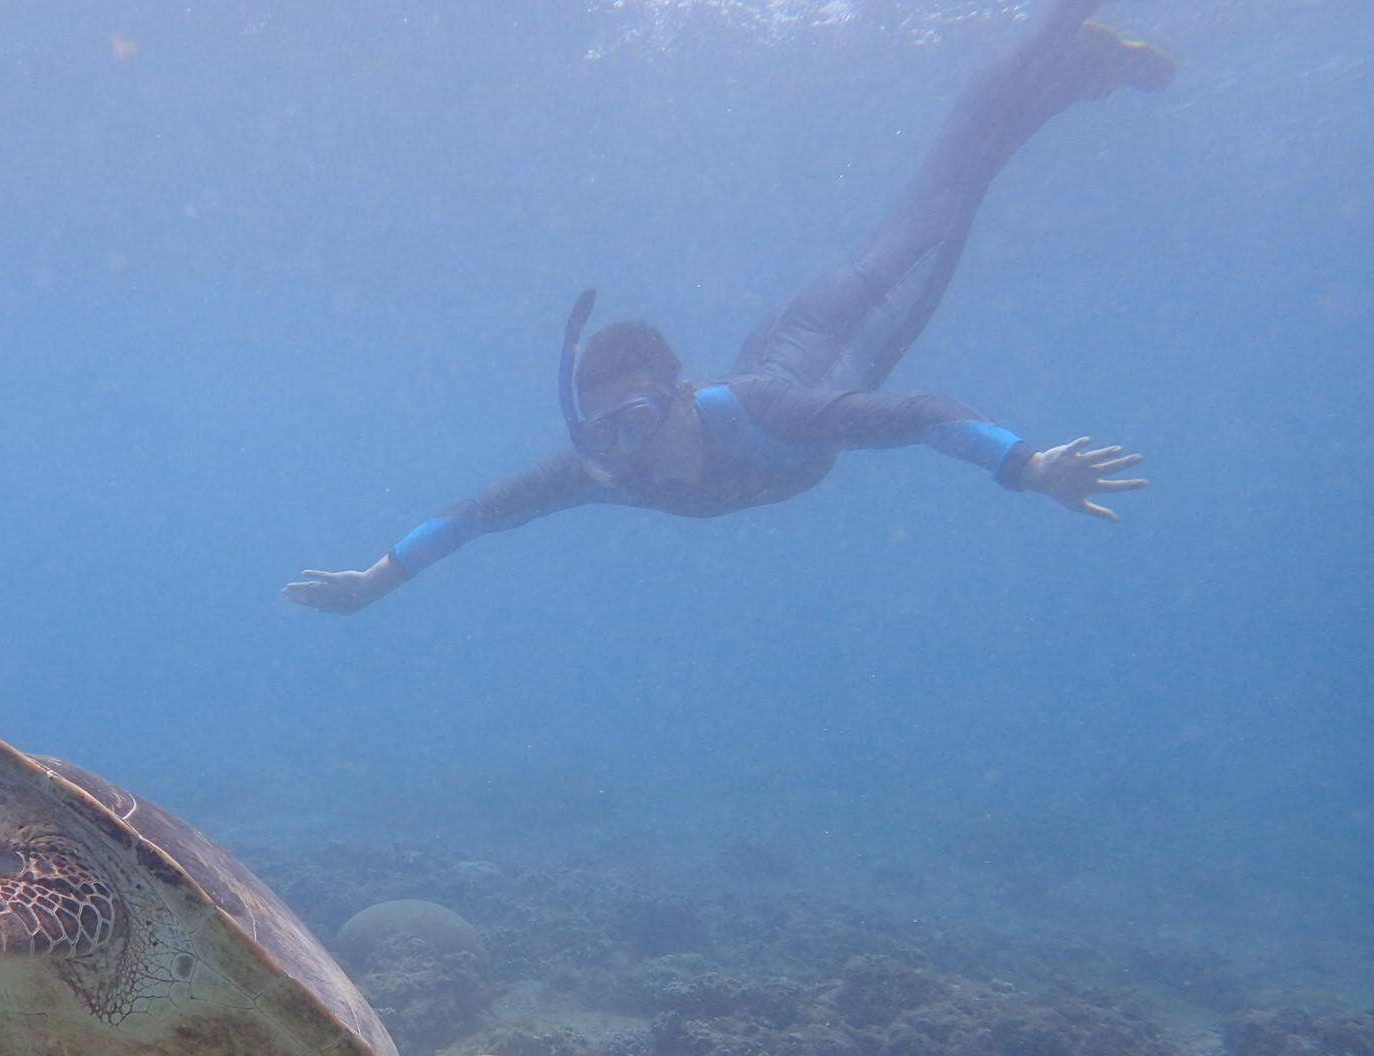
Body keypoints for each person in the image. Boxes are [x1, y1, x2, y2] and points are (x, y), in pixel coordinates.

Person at [285, 0, 1171, 616]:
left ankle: (1063, 42)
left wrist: (1025, 465)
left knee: (953, 188)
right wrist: (376, 581)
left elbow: (924, 414)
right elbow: (479, 513)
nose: (625, 453)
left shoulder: (773, 415)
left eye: (636, 421)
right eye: (604, 432)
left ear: (679, 395)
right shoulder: (607, 465)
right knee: (970, 182)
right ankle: (1085, 70)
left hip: (845, 321)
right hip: (777, 343)